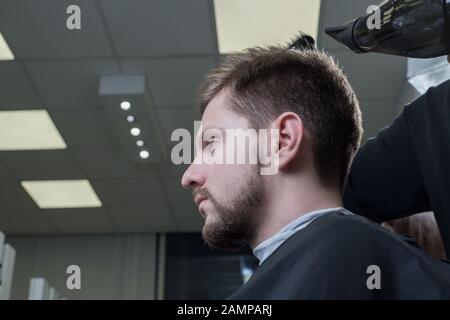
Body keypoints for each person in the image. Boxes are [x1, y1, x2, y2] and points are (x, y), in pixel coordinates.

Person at [180, 44, 450, 299]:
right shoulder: (367, 257)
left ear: (282, 141)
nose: (188, 176)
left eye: (211, 144)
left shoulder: (342, 255)